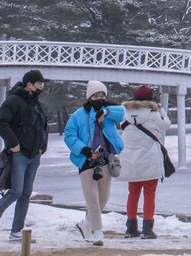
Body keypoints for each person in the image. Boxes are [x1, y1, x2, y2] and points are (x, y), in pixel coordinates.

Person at [0, 69, 49, 242]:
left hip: (35, 155)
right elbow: (0, 122)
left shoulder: (38, 103)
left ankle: (16, 231)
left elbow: (43, 126)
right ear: (29, 84)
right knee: (16, 191)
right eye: (39, 83)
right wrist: (13, 144)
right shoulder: (14, 100)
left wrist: (43, 146)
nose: (42, 87)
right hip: (19, 153)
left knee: (26, 193)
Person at [63, 80, 126, 246]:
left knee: (103, 198)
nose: (100, 98)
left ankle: (85, 224)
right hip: (86, 161)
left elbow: (121, 113)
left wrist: (105, 113)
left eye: (103, 95)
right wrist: (83, 149)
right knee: (92, 198)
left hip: (105, 160)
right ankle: (98, 232)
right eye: (96, 95)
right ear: (89, 97)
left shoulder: (108, 112)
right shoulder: (78, 115)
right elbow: (69, 135)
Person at [118, 84, 170, 240]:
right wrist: (160, 109)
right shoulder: (154, 115)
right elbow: (166, 124)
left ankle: (131, 228)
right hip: (149, 161)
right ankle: (147, 229)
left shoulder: (125, 114)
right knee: (149, 194)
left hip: (130, 161)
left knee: (133, 193)